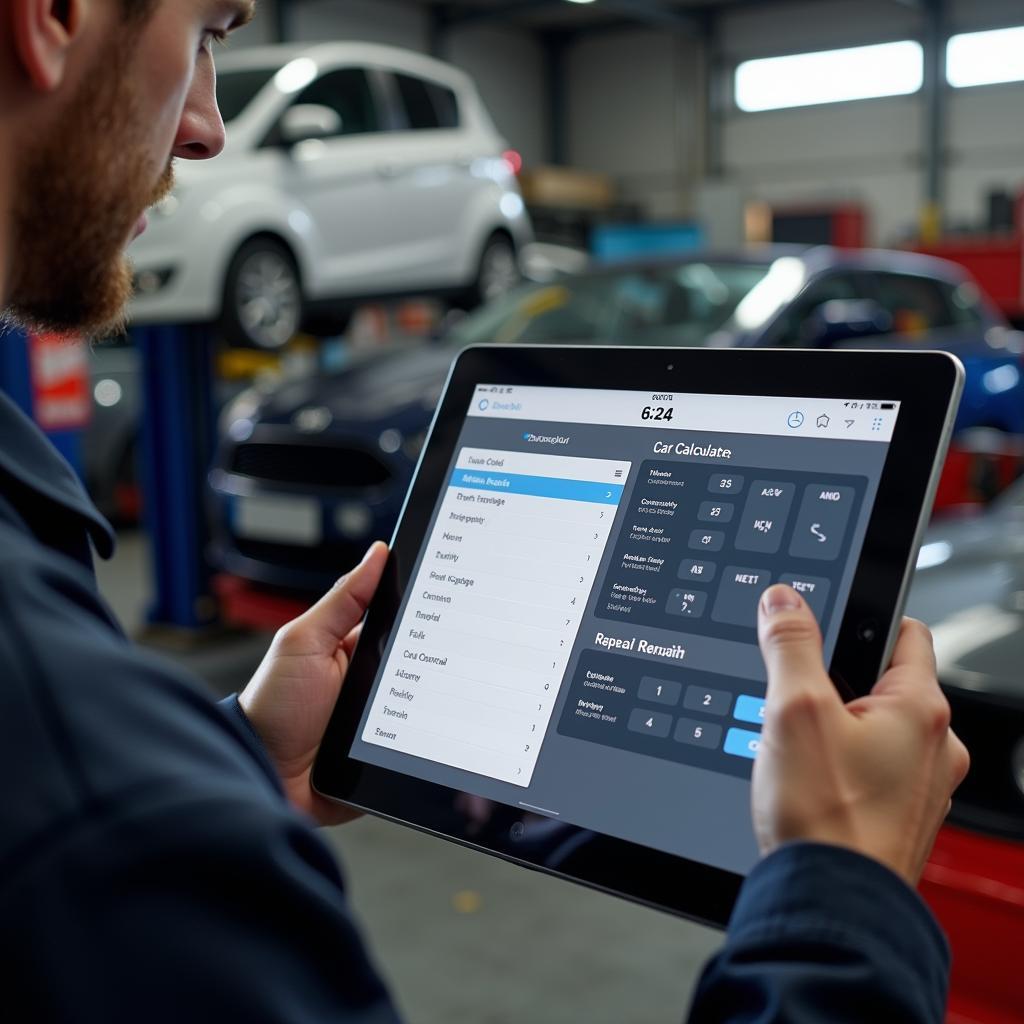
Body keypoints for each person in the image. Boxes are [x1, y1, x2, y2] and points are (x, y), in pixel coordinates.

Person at [0, 2, 970, 1021]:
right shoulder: (84, 792)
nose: (207, 125)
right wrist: (841, 896)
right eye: (205, 32)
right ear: (55, 17)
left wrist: (242, 760)